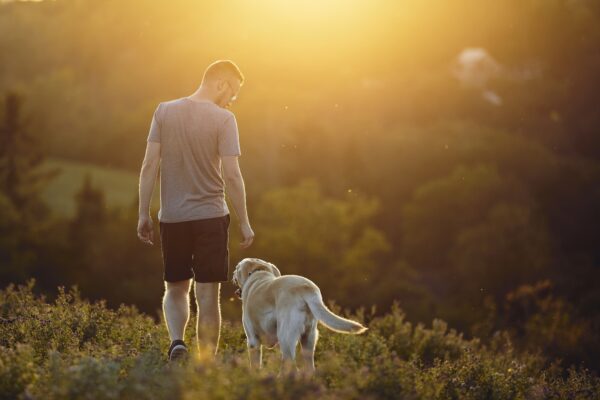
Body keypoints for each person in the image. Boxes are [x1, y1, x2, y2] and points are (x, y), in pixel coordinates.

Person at [137, 60, 254, 362]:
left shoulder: (164, 111)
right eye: (234, 93)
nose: (232, 100)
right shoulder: (224, 120)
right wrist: (245, 222)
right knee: (207, 297)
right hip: (211, 218)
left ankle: (177, 342)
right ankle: (205, 369)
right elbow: (232, 176)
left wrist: (143, 214)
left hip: (172, 218)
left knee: (175, 288)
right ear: (221, 84)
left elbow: (149, 165)